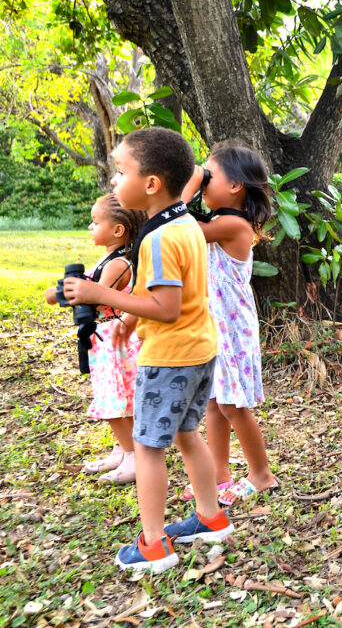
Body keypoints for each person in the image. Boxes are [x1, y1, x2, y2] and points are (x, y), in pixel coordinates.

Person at [63, 127, 234, 572]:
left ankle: (154, 545)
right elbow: (165, 290)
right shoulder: (182, 223)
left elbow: (166, 305)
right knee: (186, 433)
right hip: (199, 349)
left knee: (148, 446)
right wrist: (130, 323)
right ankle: (211, 516)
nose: (115, 182)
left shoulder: (158, 238)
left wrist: (97, 295)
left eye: (120, 172)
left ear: (151, 183)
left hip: (170, 357)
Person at [178, 143, 278, 506]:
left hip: (231, 326)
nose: (204, 181)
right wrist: (198, 180)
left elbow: (179, 225)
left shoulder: (233, 225)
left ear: (236, 186)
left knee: (234, 405)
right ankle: (219, 475)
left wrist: (189, 183)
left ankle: (261, 473)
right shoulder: (215, 222)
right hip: (212, 322)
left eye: (210, 176)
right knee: (214, 402)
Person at [45, 193, 146, 485]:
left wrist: (66, 293)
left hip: (116, 339)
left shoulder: (119, 264)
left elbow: (91, 299)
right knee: (114, 398)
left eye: (95, 221)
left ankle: (133, 456)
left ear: (118, 230)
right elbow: (72, 292)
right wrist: (65, 292)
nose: (90, 227)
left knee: (116, 401)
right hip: (103, 340)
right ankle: (121, 449)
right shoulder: (107, 259)